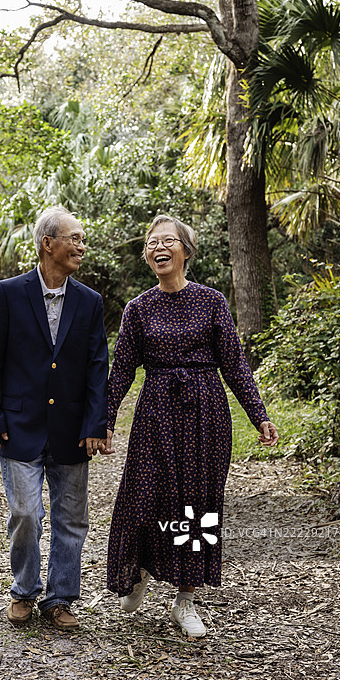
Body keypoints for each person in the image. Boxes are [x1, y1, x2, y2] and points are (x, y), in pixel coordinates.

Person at [104, 214, 278, 638]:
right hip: (156, 411)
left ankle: (185, 598)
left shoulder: (212, 301)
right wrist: (104, 421)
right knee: (144, 494)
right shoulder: (138, 309)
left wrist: (259, 415)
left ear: (186, 250)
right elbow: (122, 370)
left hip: (206, 413)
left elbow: (234, 364)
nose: (157, 248)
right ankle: (140, 570)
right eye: (150, 243)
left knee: (197, 506)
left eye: (166, 241)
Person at [0, 206, 109, 631]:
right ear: (47, 243)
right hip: (18, 427)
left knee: (71, 519)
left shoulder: (90, 302)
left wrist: (95, 425)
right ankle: (23, 591)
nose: (81, 247)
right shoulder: (9, 292)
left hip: (71, 430)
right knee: (26, 514)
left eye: (83, 239)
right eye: (74, 238)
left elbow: (96, 368)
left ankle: (60, 599)